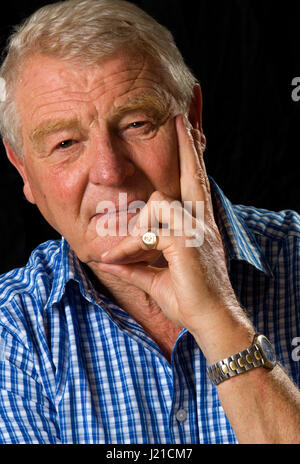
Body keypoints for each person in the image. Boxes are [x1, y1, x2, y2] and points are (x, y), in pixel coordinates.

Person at [0, 0, 299, 445]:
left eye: (137, 123)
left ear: (194, 121)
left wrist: (218, 317)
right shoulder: (12, 330)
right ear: (23, 170)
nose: (109, 170)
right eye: (65, 143)